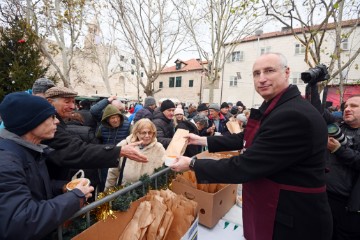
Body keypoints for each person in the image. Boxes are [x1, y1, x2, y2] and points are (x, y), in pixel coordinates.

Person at [170, 53, 332, 240]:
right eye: (256, 73)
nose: (261, 79)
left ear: (287, 73)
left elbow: (246, 165)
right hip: (277, 207)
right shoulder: (280, 106)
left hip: (293, 219)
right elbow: (246, 138)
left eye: (269, 71)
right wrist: (201, 140)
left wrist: (192, 164)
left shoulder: (293, 115)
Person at [0, 92, 94, 240]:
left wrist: (62, 187)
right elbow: (20, 222)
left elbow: (33, 188)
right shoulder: (6, 161)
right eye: (51, 117)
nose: (56, 121)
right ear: (31, 122)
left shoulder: (29, 151)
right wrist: (76, 197)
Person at [42, 86, 147, 194]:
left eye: (73, 102)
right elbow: (76, 150)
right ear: (50, 102)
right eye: (67, 102)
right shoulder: (49, 127)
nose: (73, 106)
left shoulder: (58, 125)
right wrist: (118, 151)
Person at [318, 95, 360, 240]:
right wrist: (313, 86)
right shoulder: (335, 126)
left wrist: (339, 149)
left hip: (345, 204)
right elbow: (318, 110)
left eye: (354, 106)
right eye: (345, 106)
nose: (347, 109)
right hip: (320, 193)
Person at [105, 119, 165, 190]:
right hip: (125, 191)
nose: (147, 136)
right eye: (143, 133)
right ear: (136, 133)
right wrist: (108, 192)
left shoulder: (158, 148)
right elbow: (113, 172)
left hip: (148, 192)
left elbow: (163, 171)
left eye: (150, 133)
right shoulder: (124, 145)